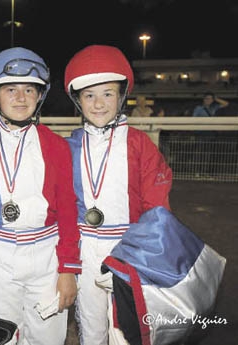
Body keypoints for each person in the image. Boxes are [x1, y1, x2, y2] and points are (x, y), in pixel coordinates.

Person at [63, 44, 173, 345]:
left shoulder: (140, 146)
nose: (98, 104)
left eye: (107, 94)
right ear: (78, 100)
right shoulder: (68, 146)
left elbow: (157, 211)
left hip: (128, 248)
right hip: (84, 251)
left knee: (125, 331)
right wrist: (66, 264)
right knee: (90, 326)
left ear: (122, 96)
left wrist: (136, 259)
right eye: (89, 95)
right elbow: (61, 208)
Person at [0, 47, 81, 345]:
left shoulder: (57, 146)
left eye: (29, 89)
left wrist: (68, 269)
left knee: (49, 338)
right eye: (10, 89)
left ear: (39, 95)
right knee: (0, 338)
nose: (20, 98)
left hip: (46, 254)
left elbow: (69, 211)